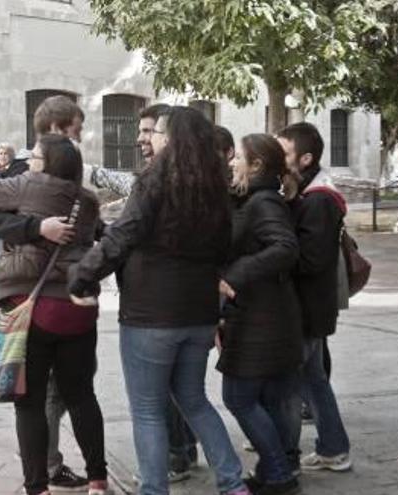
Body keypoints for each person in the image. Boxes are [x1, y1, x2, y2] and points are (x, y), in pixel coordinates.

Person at [68, 107, 250, 495]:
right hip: (198, 313)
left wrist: (81, 277)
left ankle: (154, 489)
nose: (154, 138)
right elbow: (222, 248)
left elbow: (123, 237)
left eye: (160, 132)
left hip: (151, 315)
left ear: (176, 138)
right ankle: (234, 483)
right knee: (194, 400)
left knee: (148, 411)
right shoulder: (215, 186)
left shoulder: (154, 181)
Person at [0, 135, 109, 495]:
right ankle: (97, 479)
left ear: (46, 163)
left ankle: (37, 487)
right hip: (78, 310)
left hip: (35, 309)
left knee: (29, 402)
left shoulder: (28, 185)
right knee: (81, 395)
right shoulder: (88, 201)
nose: (28, 160)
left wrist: (2, 172)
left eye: (33, 156)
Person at [218, 133, 303, 495]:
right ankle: (274, 473)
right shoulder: (257, 198)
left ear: (256, 165)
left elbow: (285, 248)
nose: (233, 162)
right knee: (266, 400)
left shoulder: (264, 202)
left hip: (261, 319)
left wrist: (232, 276)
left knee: (238, 398)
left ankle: (280, 474)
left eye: (239, 157)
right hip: (264, 315)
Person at [276, 122, 352, 472]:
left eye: (285, 153)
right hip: (309, 306)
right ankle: (333, 448)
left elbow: (312, 259)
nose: (279, 160)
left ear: (305, 159)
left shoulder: (319, 200)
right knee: (313, 380)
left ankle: (284, 456)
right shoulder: (309, 192)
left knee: (295, 385)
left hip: (307, 308)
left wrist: (274, 256)